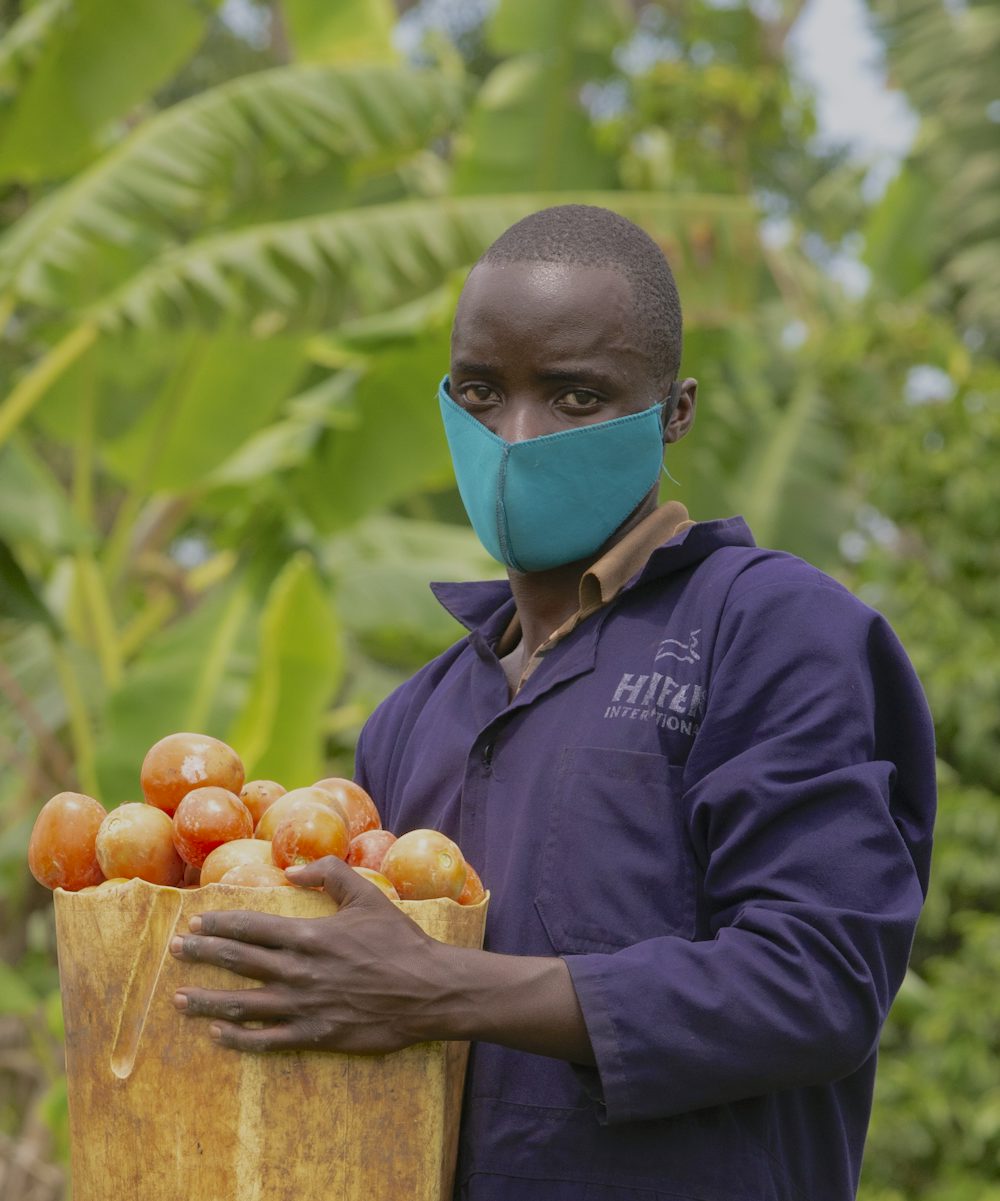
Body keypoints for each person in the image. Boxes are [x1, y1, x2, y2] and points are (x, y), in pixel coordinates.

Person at [171, 205, 936, 1201]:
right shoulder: (414, 717)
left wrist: (444, 989)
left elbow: (815, 982)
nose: (516, 438)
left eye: (575, 396)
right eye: (482, 393)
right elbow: (359, 1012)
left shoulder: (771, 629)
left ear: (675, 410)